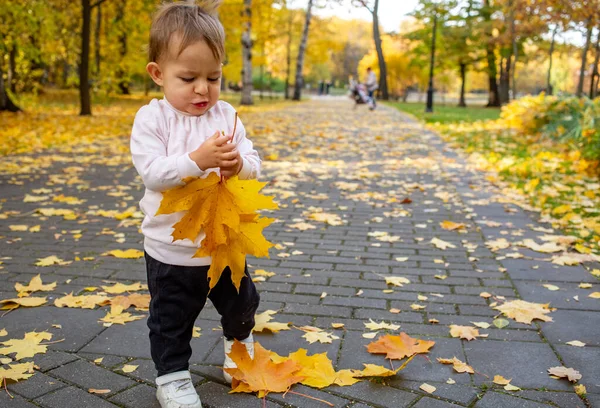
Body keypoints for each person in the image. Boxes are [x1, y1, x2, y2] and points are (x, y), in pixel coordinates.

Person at [130, 2, 261, 407]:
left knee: (243, 304)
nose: (202, 88)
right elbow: (152, 172)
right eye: (188, 78)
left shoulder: (227, 115)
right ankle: (172, 377)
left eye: (213, 77)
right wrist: (195, 161)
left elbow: (254, 161)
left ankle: (239, 351)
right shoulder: (153, 120)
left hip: (223, 244)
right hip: (171, 251)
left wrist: (240, 164)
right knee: (171, 321)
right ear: (158, 74)